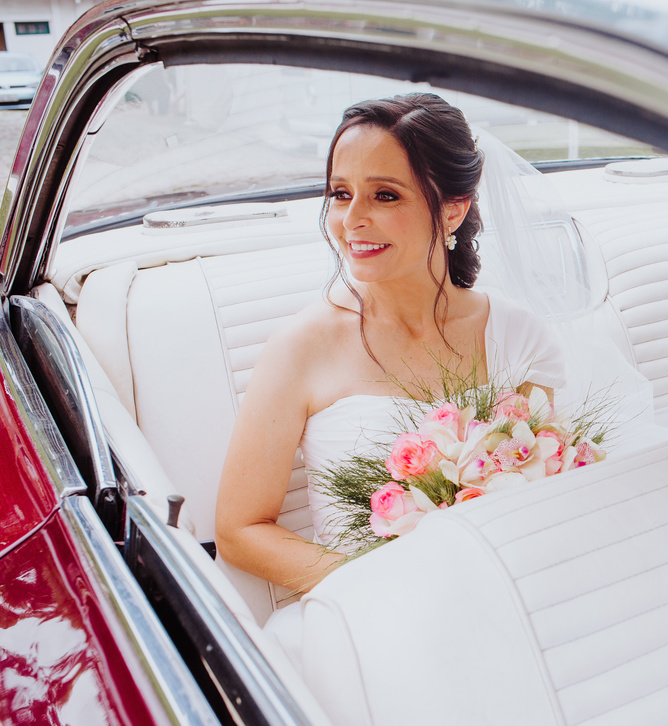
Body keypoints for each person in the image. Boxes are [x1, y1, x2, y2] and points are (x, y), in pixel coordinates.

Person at [215, 94, 566, 595]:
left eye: (385, 195)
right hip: (368, 603)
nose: (351, 219)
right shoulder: (301, 347)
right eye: (340, 193)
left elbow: (538, 495)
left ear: (452, 210)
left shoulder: (521, 338)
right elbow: (239, 532)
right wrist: (388, 587)